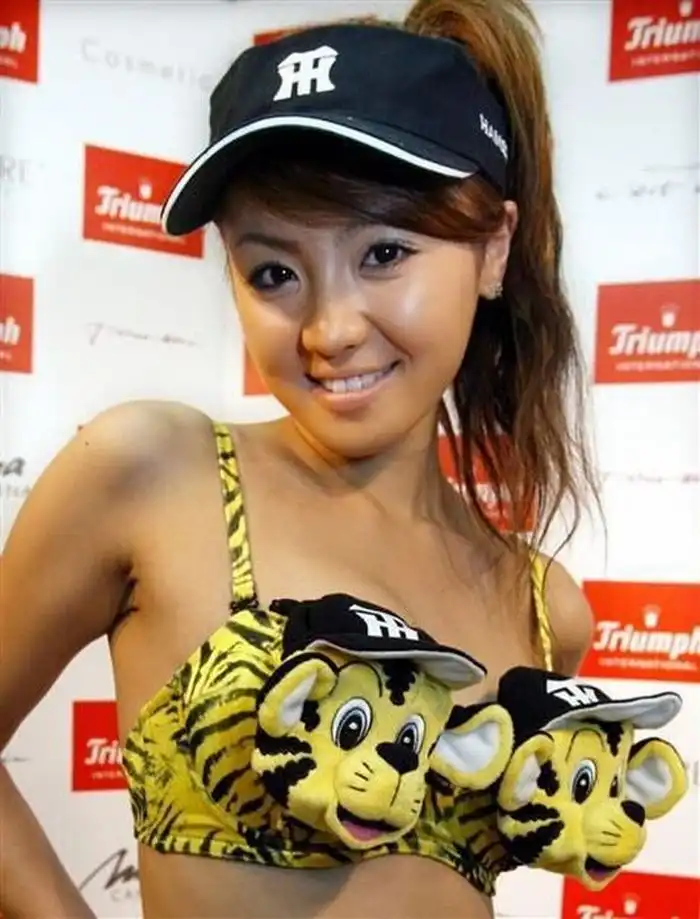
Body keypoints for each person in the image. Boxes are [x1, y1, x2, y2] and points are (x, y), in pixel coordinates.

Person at [0, 0, 600, 917]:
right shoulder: (151, 475)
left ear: (493, 248)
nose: (329, 329)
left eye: (384, 253)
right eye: (273, 271)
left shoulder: (546, 606)